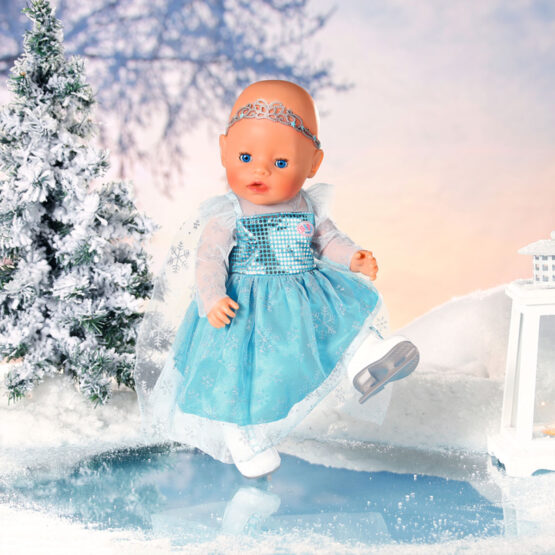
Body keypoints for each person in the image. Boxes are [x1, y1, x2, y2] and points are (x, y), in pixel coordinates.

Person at [134, 80, 419, 479]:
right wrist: (212, 298)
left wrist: (352, 258)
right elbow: (209, 260)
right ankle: (243, 441)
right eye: (245, 156)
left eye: (281, 163)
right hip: (246, 308)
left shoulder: (307, 204)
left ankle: (368, 358)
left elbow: (327, 240)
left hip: (305, 292)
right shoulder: (228, 213)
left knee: (343, 322)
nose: (261, 169)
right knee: (240, 378)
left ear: (313, 164)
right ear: (224, 150)